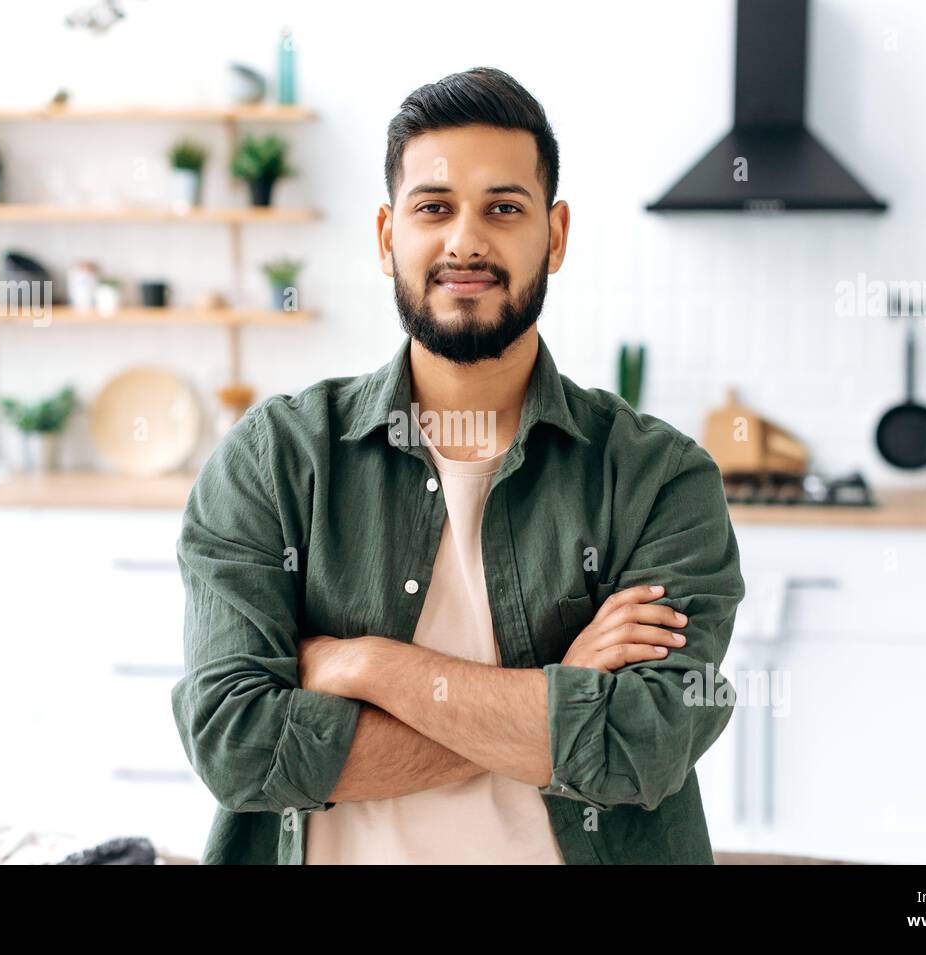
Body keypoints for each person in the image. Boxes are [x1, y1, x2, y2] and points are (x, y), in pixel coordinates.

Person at [171, 66, 744, 865]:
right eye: (434, 207)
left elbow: (638, 746)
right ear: (386, 237)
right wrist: (557, 691)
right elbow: (239, 747)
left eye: (503, 208)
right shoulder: (274, 459)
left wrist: (365, 663)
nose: (465, 241)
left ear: (556, 234)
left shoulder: (659, 478)